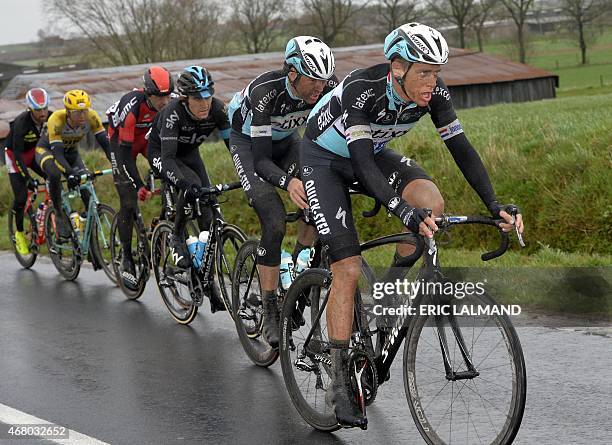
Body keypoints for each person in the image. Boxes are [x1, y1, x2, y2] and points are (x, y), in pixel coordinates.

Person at [302, 23, 525, 427]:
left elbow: (461, 149)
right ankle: (337, 378)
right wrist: (397, 209)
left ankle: (385, 299)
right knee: (347, 268)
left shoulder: (434, 94)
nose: (432, 82)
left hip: (372, 154)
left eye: (437, 72)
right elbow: (361, 163)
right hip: (324, 161)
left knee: (429, 203)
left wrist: (493, 204)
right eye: (424, 72)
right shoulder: (361, 89)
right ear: (398, 67)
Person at [227, 36, 338, 348]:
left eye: (324, 80)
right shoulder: (266, 92)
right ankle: (270, 307)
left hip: (288, 141)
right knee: (274, 220)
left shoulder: (326, 87)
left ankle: (298, 272)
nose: (321, 88)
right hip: (250, 147)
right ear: (293, 74)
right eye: (313, 81)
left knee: (316, 206)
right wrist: (288, 183)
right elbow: (262, 161)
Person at [147, 65, 230, 312]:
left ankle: (208, 280)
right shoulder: (173, 114)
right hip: (163, 153)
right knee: (190, 187)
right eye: (197, 98)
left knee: (210, 211)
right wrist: (184, 184)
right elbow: (169, 160)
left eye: (208, 95)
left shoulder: (218, 109)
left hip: (190, 153)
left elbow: (234, 147)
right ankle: (175, 234)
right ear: (184, 99)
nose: (204, 103)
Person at [107, 66, 174, 290]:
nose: (164, 102)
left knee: (172, 176)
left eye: (167, 96)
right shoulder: (133, 107)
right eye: (158, 97)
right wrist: (137, 184)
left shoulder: (168, 104)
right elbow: (126, 155)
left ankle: (163, 230)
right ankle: (126, 258)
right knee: (128, 201)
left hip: (146, 140)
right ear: (147, 92)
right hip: (121, 145)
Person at [34, 89, 110, 240]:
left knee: (86, 188)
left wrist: (117, 163)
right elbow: (58, 155)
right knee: (55, 174)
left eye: (84, 111)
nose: (82, 116)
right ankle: (59, 215)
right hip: (48, 151)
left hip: (71, 153)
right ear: (68, 112)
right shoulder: (56, 119)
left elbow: (106, 145)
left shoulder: (92, 117)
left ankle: (89, 239)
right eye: (77, 112)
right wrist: (70, 174)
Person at [4, 88, 50, 254]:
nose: (43, 113)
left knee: (53, 175)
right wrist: (28, 177)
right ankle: (19, 234)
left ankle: (49, 216)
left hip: (32, 152)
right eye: (38, 110)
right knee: (21, 196)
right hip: (14, 155)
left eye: (45, 108)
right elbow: (17, 154)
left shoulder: (49, 116)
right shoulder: (21, 122)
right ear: (30, 109)